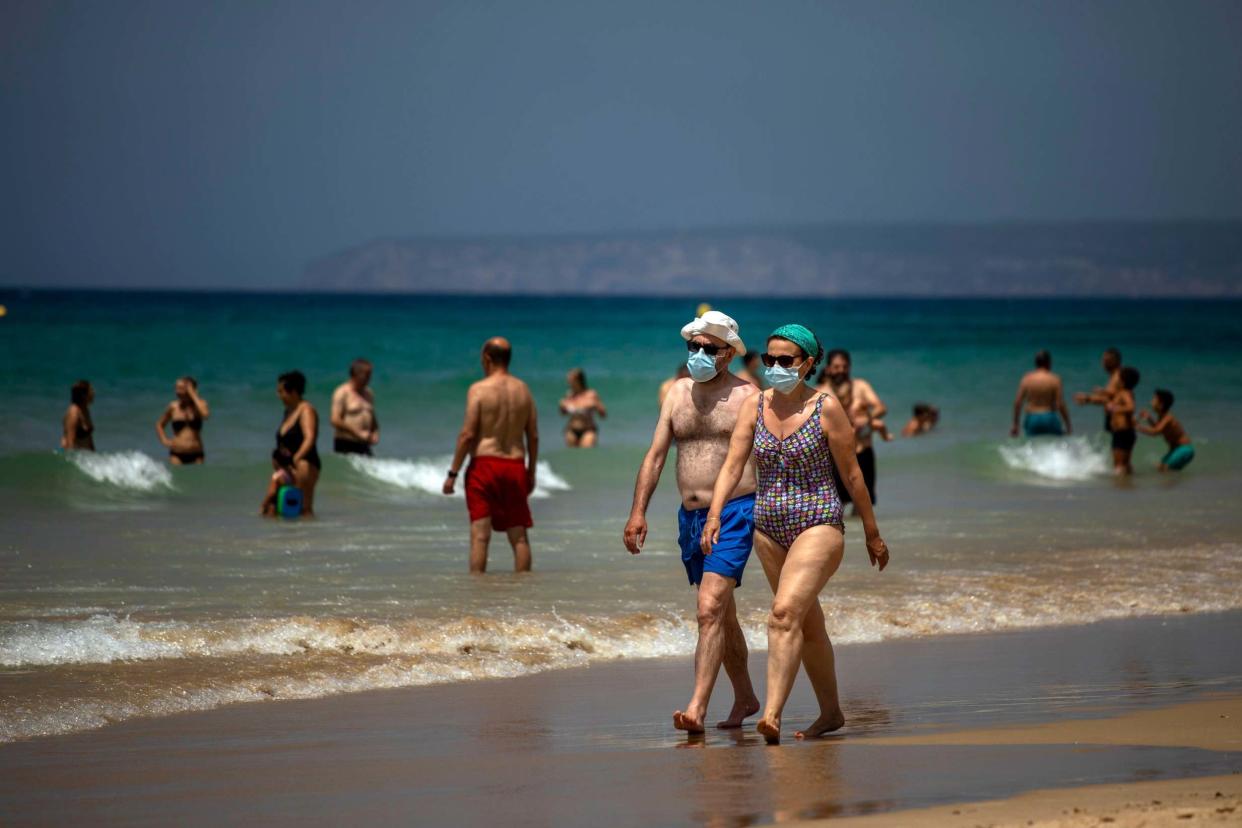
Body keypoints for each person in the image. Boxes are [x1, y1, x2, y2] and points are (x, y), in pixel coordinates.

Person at [702, 324, 890, 744]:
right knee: (807, 623)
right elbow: (733, 465)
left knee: (783, 614)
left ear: (806, 363)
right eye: (769, 360)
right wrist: (715, 514)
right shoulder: (755, 404)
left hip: (819, 522)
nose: (775, 367)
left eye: (785, 360)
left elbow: (853, 475)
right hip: (767, 527)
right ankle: (831, 713)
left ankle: (771, 714)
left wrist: (872, 533)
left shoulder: (827, 407)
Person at [623, 310, 761, 735]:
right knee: (721, 614)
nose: (698, 355)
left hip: (735, 512)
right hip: (690, 517)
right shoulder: (678, 393)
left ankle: (696, 708)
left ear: (728, 353)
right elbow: (656, 455)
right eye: (693, 347)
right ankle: (746, 697)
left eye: (708, 349)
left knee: (707, 610)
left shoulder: (747, 396)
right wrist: (638, 511)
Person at [442, 338, 539, 574]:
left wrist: (452, 473)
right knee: (519, 538)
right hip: (515, 465)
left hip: (484, 466)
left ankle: (478, 600)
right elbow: (533, 436)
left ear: (486, 358)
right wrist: (531, 472)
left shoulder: (479, 390)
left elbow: (467, 434)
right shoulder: (523, 390)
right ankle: (525, 596)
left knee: (480, 537)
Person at [820, 349, 886, 509]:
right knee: (836, 505)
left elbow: (880, 407)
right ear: (828, 368)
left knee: (864, 504)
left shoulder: (861, 386)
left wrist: (866, 419)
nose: (841, 370)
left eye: (844, 366)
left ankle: (862, 534)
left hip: (862, 452)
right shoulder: (822, 392)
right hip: (836, 456)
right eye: (836, 367)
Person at [275, 371, 321, 516]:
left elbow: (310, 437)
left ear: (293, 391)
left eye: (281, 391)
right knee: (278, 508)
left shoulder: (306, 410)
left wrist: (296, 459)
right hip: (287, 467)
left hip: (304, 464)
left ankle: (308, 537)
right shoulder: (288, 411)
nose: (279, 395)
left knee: (303, 508)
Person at [1011, 350, 1071, 437]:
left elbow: (1018, 402)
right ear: (1049, 363)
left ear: (1036, 363)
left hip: (1032, 418)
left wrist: (1015, 425)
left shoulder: (1027, 378)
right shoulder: (1055, 379)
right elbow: (1060, 404)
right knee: (1057, 444)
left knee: (1031, 445)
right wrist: (1068, 424)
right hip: (1050, 417)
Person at [155, 376, 210, 464]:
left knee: (198, 477)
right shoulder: (173, 407)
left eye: (181, 388)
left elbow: (205, 415)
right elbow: (159, 425)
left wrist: (193, 394)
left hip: (197, 453)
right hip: (177, 454)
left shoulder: (200, 404)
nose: (177, 392)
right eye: (176, 388)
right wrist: (164, 441)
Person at [1138, 389, 1195, 472]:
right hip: (1176, 450)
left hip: (1184, 449)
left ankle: (1170, 485)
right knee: (1161, 468)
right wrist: (1149, 418)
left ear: (1161, 405)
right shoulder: (1162, 417)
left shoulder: (1168, 417)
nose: (1151, 402)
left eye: (1154, 399)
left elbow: (1155, 432)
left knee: (1165, 469)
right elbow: (1158, 429)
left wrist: (1137, 426)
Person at [330, 359, 379, 455]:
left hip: (364, 443)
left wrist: (375, 433)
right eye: (367, 375)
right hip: (346, 442)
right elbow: (335, 420)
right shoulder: (342, 392)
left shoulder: (368, 393)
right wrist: (357, 433)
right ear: (357, 374)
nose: (369, 378)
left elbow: (372, 418)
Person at [1075, 347, 1123, 433]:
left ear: (1115, 361)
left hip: (1117, 420)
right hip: (1114, 419)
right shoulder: (1115, 376)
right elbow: (1110, 397)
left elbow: (1108, 400)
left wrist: (1087, 398)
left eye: (1106, 361)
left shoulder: (1117, 377)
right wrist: (1089, 398)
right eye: (1103, 360)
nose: (1103, 363)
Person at [1105, 366, 1141, 476]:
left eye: (1118, 379)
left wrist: (1115, 408)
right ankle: (1128, 486)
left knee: (1118, 466)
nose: (1116, 381)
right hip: (1126, 432)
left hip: (1122, 432)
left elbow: (1131, 407)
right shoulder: (1125, 393)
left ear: (1122, 381)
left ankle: (1120, 488)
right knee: (1125, 464)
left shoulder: (1124, 393)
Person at [560, 368, 607, 448]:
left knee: (586, 452)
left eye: (570, 379)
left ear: (578, 380)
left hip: (588, 430)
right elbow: (563, 413)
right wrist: (562, 406)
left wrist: (595, 405)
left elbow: (603, 414)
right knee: (573, 455)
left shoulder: (591, 394)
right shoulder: (569, 395)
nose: (568, 382)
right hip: (572, 430)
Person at [261, 448, 300, 517]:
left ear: (275, 461)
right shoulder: (292, 473)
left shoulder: (277, 476)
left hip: (275, 506)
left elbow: (272, 492)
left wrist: (264, 504)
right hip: (288, 505)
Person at [61, 380, 95, 451]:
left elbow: (89, 439)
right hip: (74, 454)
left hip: (84, 455)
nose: (93, 393)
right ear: (83, 395)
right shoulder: (74, 412)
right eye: (91, 391)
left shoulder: (85, 410)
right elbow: (70, 441)